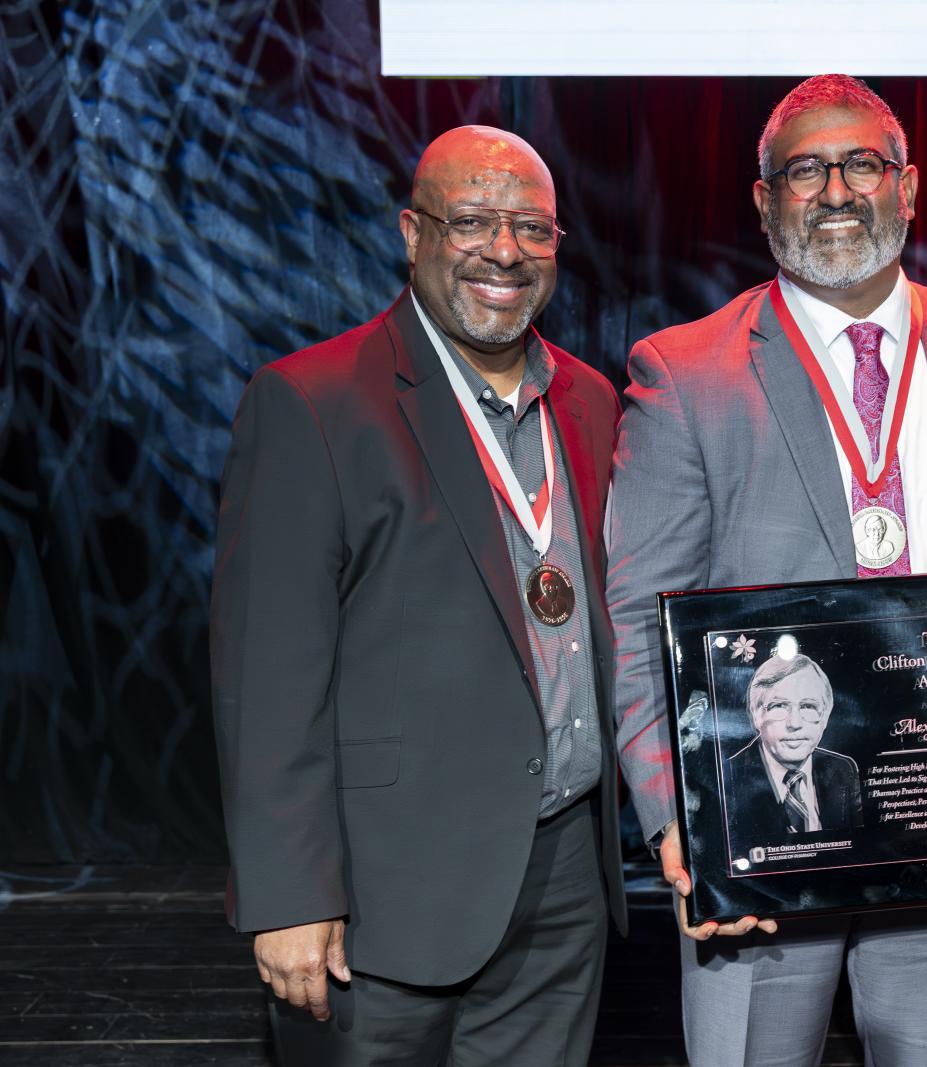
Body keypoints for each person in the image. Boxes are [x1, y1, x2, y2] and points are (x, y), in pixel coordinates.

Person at [607, 74, 927, 1066]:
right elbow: (634, 620)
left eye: (861, 164)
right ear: (763, 199)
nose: (835, 189)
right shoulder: (685, 370)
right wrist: (678, 817)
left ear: (908, 187)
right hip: (760, 822)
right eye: (803, 170)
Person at [210, 125, 625, 1066]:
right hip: (381, 894)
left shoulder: (591, 402)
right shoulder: (314, 402)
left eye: (533, 227)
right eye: (472, 220)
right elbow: (267, 675)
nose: (505, 251)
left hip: (563, 881)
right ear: (413, 232)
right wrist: (290, 895)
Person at [723, 652, 864, 859]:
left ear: (825, 717)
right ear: (756, 715)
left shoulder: (843, 769)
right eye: (779, 706)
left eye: (808, 706)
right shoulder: (727, 778)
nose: (795, 723)